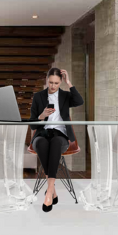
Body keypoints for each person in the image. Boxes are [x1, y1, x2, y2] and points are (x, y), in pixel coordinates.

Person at [30, 67, 84, 212]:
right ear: (47, 80)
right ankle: (52, 189)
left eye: (56, 83)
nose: (53, 86)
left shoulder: (66, 96)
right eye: (51, 82)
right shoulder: (38, 97)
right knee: (41, 143)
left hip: (60, 134)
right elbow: (32, 125)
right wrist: (41, 116)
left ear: (60, 82)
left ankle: (48, 192)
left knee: (54, 143)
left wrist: (69, 82)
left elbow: (79, 101)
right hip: (42, 133)